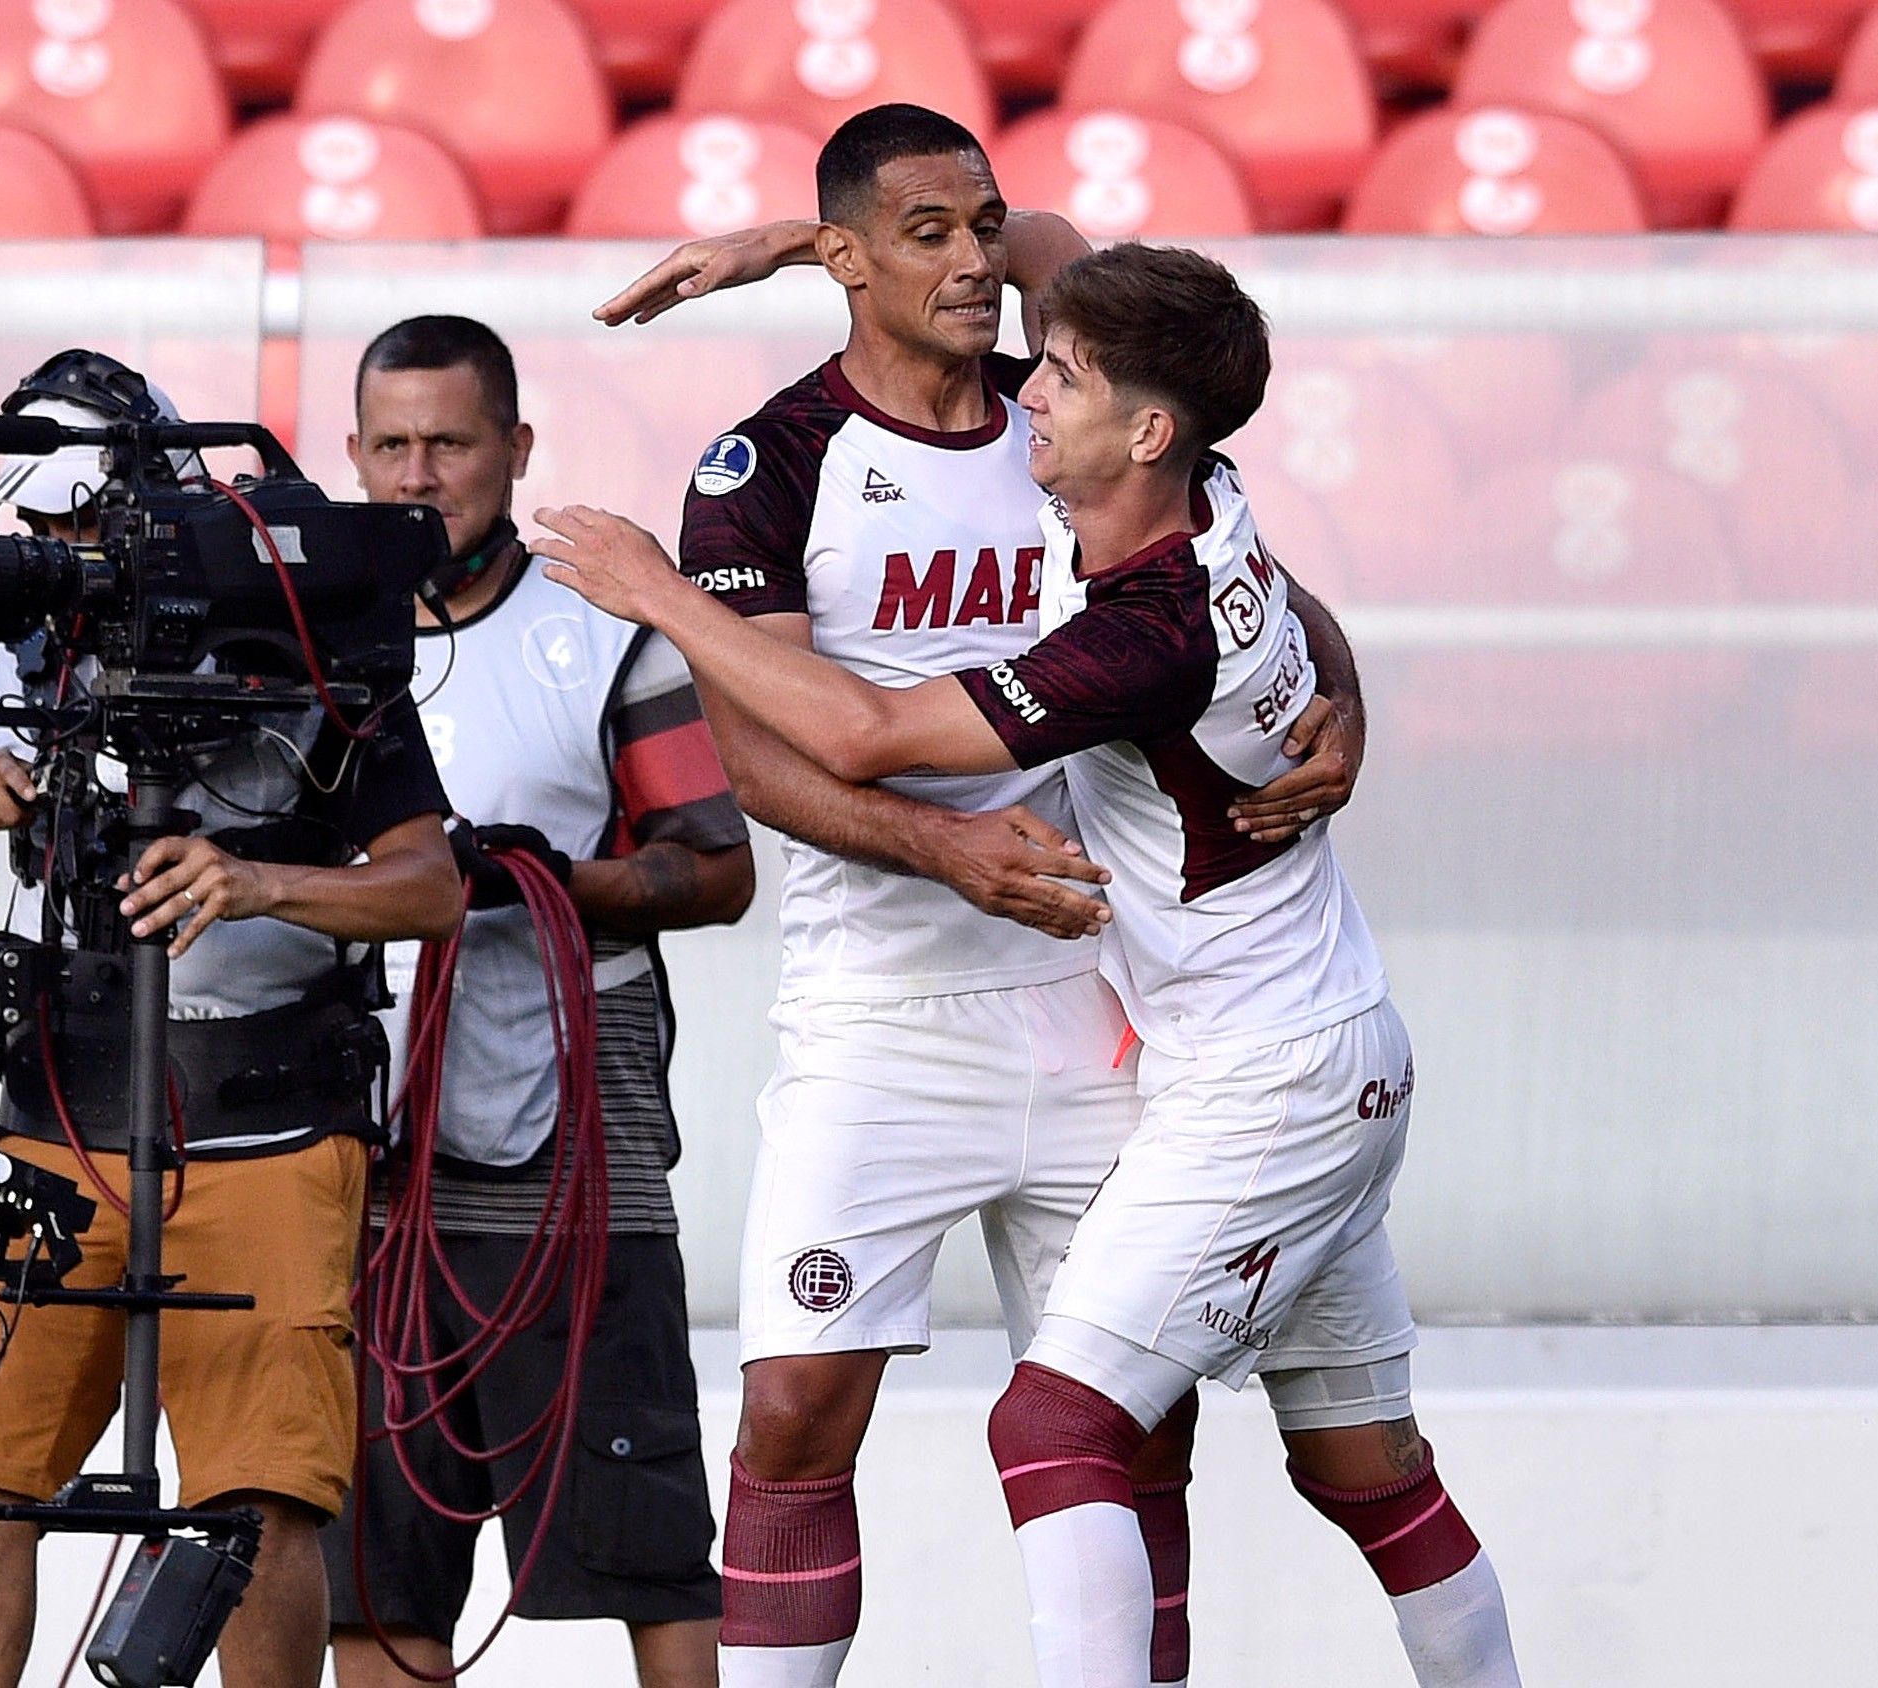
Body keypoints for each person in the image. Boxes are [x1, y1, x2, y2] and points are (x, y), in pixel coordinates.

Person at [534, 243, 1523, 1688]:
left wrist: (659, 593)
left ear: (1147, 429)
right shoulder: (1205, 507)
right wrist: (807, 244)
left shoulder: (1140, 631)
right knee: (1371, 1475)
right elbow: (1056, 250)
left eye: (1060, 377)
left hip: (1264, 1086)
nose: (1025, 388)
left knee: (1054, 1428)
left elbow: (865, 739)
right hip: (1317, 1047)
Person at [0, 350, 465, 1688]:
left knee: (259, 1499)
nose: (59, 559)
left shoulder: (306, 621)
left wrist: (257, 880)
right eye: (38, 532)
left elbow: (434, 886)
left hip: (274, 1123)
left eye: (82, 529)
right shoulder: (2, 628)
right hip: (59, 1117)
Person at [322, 315, 753, 1688]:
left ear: (514, 451)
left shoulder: (607, 625)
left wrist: (541, 883)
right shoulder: (305, 638)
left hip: (580, 1153)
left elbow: (716, 870)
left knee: (649, 1538)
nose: (418, 474)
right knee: (375, 1563)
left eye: (450, 443)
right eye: (390, 445)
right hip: (363, 1162)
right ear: (353, 455)